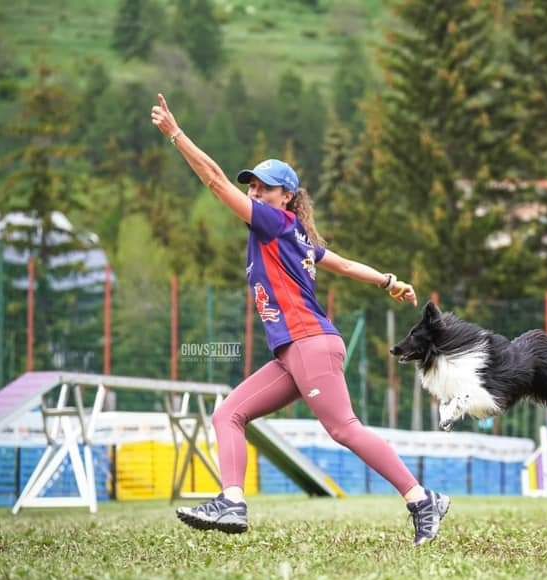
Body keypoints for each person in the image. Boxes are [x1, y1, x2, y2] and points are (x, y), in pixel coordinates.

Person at [150, 94, 449, 546]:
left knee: (343, 428)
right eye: (252, 187)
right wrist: (388, 281)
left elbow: (213, 180)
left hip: (309, 343)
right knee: (229, 413)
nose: (254, 194)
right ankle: (232, 501)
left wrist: (176, 135)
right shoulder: (297, 236)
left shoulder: (274, 224)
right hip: (295, 351)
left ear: (286, 198)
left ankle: (422, 499)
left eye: (264, 188)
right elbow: (342, 264)